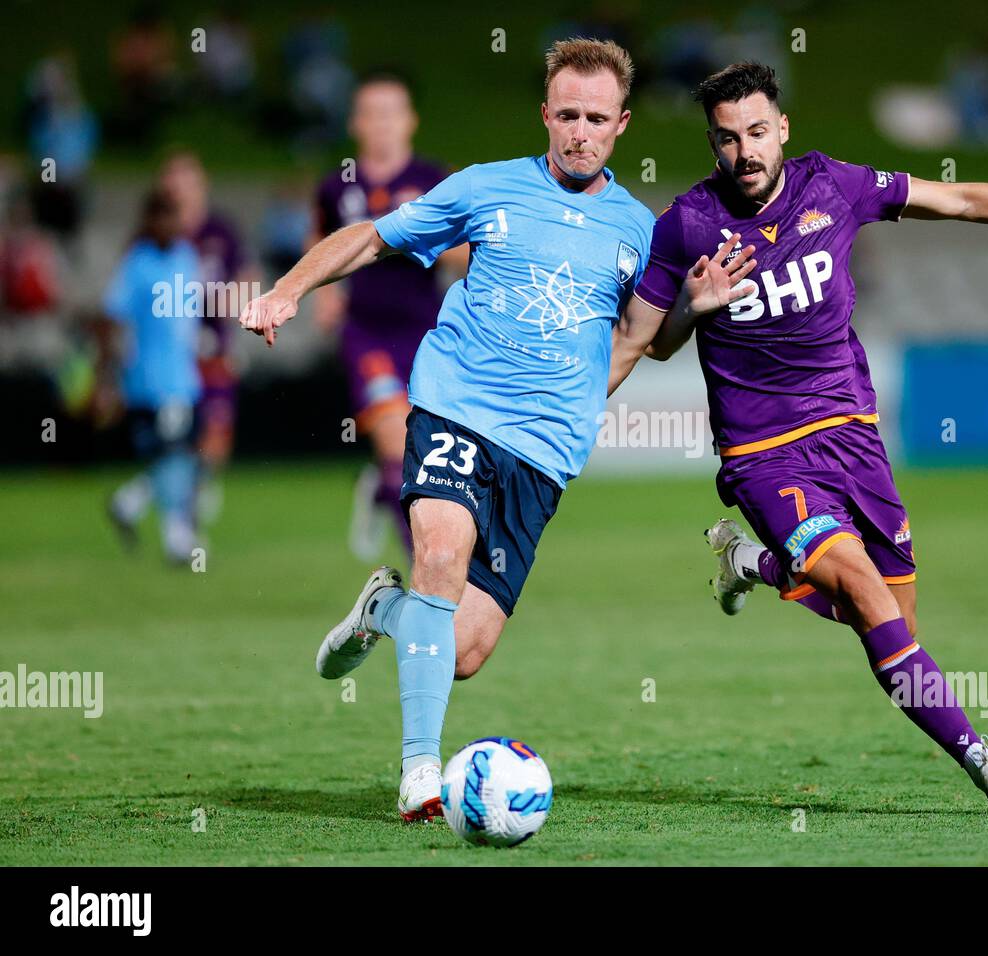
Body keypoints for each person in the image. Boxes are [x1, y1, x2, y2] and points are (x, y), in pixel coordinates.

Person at [611, 62, 988, 811]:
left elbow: (959, 199)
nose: (747, 152)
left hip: (854, 438)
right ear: (712, 142)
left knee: (894, 628)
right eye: (729, 139)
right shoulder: (687, 225)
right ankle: (987, 763)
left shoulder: (833, 186)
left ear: (784, 129)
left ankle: (754, 563)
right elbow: (648, 343)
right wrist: (692, 307)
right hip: (764, 455)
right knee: (866, 595)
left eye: (759, 132)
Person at [239, 39, 748, 821]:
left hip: (542, 455)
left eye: (597, 118)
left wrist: (692, 305)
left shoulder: (639, 231)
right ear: (547, 114)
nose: (580, 131)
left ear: (622, 126)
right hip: (455, 407)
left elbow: (642, 340)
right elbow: (375, 237)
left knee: (464, 652)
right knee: (440, 553)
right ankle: (418, 774)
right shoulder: (484, 188)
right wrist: (287, 290)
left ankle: (383, 611)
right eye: (568, 115)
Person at [311, 71, 464, 558]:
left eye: (390, 112)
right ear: (356, 123)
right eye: (371, 114)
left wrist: (434, 244)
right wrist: (320, 292)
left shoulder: (434, 180)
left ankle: (379, 490)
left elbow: (464, 252)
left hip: (426, 329)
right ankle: (423, 565)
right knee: (397, 442)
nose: (381, 123)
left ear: (409, 120)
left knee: (427, 448)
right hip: (366, 332)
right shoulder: (338, 186)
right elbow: (318, 243)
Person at [102, 189, 203, 563]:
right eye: (161, 216)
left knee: (175, 456)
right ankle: (177, 537)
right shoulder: (138, 263)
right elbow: (112, 318)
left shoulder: (186, 256)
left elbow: (188, 318)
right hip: (153, 379)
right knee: (175, 457)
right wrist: (106, 379)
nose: (169, 224)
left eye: (173, 216)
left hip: (183, 375)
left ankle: (127, 503)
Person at [158, 149, 255, 524]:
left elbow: (245, 276)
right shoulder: (158, 235)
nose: (180, 189)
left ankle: (196, 486)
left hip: (214, 348)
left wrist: (237, 304)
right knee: (175, 434)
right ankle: (176, 512)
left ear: (201, 186)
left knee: (216, 434)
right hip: (171, 354)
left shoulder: (220, 231)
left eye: (187, 181)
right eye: (173, 181)